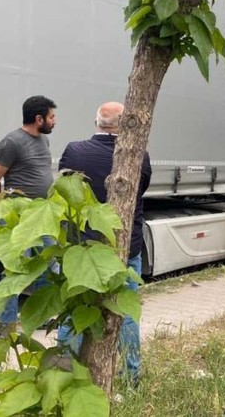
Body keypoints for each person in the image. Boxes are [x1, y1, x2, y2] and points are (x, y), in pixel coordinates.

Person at [58, 102, 152, 385]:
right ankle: (131, 374)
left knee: (72, 309)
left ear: (96, 121)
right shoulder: (140, 156)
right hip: (124, 245)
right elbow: (141, 189)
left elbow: (66, 190)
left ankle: (63, 372)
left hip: (82, 246)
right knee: (126, 310)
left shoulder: (74, 150)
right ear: (125, 125)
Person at [0, 95, 57, 338]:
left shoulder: (43, 141)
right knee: (14, 271)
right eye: (51, 116)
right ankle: (6, 327)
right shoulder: (12, 142)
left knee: (48, 267)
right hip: (18, 217)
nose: (54, 121)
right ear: (38, 119)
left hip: (42, 215)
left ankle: (43, 318)